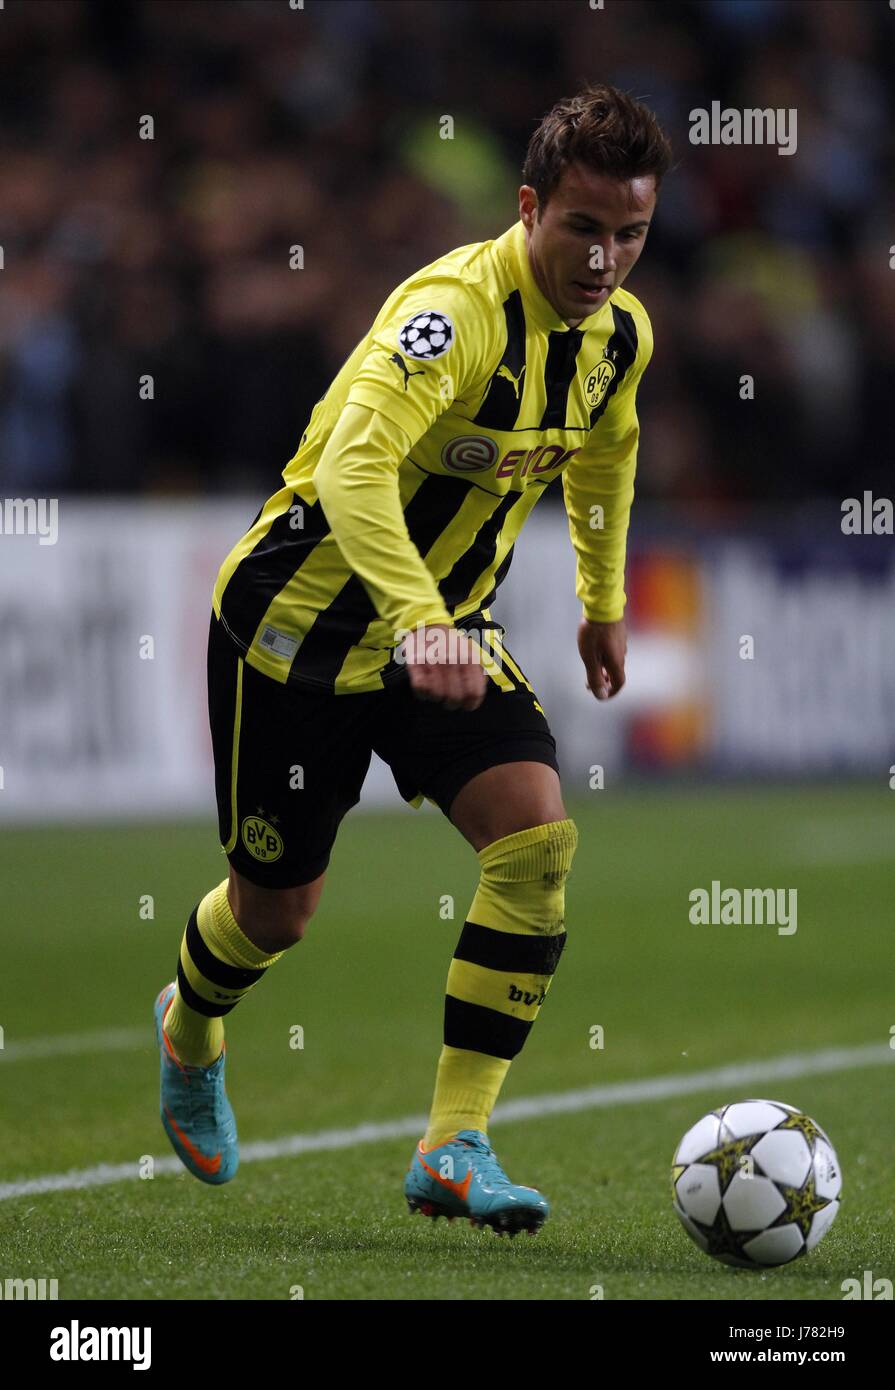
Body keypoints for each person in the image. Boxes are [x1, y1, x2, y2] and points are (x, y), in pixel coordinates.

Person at [154, 83, 672, 1237]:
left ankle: (454, 1142)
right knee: (276, 915)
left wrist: (601, 600)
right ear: (529, 206)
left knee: (535, 841)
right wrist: (418, 618)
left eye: (630, 233)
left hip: (442, 630)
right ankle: (190, 1025)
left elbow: (605, 452)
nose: (604, 260)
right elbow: (350, 469)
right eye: (583, 227)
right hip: (299, 628)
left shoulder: (618, 335)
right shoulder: (451, 313)